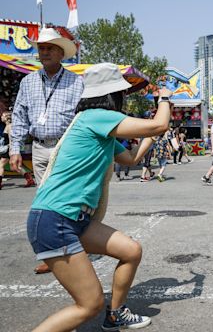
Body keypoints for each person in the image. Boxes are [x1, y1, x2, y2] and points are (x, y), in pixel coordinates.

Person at [26, 62, 173, 331]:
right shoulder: (96, 116)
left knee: (131, 251)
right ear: (112, 95)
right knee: (89, 305)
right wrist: (164, 98)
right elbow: (158, 125)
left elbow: (131, 158)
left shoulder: (96, 126)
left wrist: (154, 134)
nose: (124, 100)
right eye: (122, 95)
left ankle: (116, 314)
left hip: (72, 219)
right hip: (55, 219)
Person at [10, 27, 83, 275]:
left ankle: (70, 248)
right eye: (41, 48)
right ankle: (51, 254)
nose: (44, 52)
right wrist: (15, 148)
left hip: (66, 149)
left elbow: (83, 119)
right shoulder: (28, 82)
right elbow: (19, 117)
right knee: (44, 202)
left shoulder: (76, 82)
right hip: (39, 148)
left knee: (65, 201)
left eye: (50, 47)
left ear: (61, 52)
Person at [0, 111, 36, 189]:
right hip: (11, 148)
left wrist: (11, 150)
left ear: (6, 117)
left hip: (9, 148)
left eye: (2, 116)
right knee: (17, 166)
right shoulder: (9, 126)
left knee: (1, 165)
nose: (1, 117)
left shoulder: (9, 126)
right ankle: (29, 179)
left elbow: (11, 139)